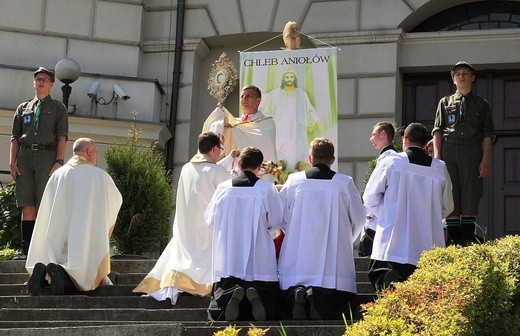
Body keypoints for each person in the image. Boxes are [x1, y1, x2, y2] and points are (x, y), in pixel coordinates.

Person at [133, 132, 231, 304]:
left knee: (185, 256)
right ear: (215, 149)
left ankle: (180, 282)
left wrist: (229, 159)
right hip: (207, 227)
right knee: (204, 258)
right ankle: (198, 285)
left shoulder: (187, 168)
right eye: (220, 149)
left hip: (186, 224)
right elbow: (231, 189)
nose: (221, 153)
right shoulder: (217, 171)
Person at [278, 138, 366, 320]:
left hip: (299, 250)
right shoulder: (344, 183)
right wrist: (345, 237)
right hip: (334, 254)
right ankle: (319, 304)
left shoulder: (294, 181)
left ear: (310, 158)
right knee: (333, 287)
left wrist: (293, 230)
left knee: (295, 278)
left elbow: (281, 215)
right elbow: (359, 216)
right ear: (332, 159)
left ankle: (298, 295)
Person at [26, 138, 122, 295]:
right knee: (82, 276)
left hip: (56, 240)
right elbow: (115, 201)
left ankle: (45, 274)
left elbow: (45, 212)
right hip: (82, 242)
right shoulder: (99, 177)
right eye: (96, 151)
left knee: (54, 258)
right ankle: (66, 277)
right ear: (90, 152)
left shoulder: (57, 175)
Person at [364, 123, 454, 290]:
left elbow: (369, 198)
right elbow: (447, 206)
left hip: (393, 240)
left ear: (405, 140)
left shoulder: (392, 162)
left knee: (379, 274)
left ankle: (388, 281)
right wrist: (429, 214)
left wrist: (386, 212)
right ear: (425, 142)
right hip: (426, 242)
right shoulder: (439, 168)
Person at [205, 147, 284, 322]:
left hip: (229, 255)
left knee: (225, 286)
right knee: (264, 289)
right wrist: (267, 232)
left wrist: (227, 232)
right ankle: (257, 297)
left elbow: (210, 219)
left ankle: (231, 296)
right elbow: (277, 220)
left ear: (239, 164)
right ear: (260, 167)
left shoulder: (223, 188)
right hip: (258, 255)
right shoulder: (266, 188)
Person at [432, 61, 494, 246]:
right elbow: (437, 130)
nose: (461, 76)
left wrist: (486, 159)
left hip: (471, 150)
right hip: (449, 149)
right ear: (453, 79)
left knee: (470, 192)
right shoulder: (445, 102)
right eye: (457, 73)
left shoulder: (481, 104)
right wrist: (437, 156)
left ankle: (467, 237)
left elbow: (487, 134)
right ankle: (453, 238)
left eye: (465, 73)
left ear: (472, 77)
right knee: (450, 192)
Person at [9, 67, 68, 260]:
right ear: (34, 83)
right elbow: (15, 137)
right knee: (27, 205)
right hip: (25, 157)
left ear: (51, 84)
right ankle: (26, 251)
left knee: (44, 206)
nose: (41, 82)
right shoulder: (23, 107)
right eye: (38, 79)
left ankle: (41, 252)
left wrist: (59, 161)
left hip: (47, 156)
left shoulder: (58, 108)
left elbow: (62, 137)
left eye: (45, 79)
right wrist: (12, 162)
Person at [202, 85, 278, 179]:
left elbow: (265, 144)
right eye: (242, 96)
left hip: (260, 176)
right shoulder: (232, 124)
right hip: (236, 175)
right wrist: (219, 121)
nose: (244, 99)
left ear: (258, 101)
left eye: (249, 96)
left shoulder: (267, 123)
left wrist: (235, 129)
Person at [260, 71, 324, 169]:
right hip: (281, 130)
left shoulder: (301, 94)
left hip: (297, 131)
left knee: (297, 154)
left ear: (294, 79)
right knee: (280, 155)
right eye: (287, 77)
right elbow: (267, 111)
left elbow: (309, 110)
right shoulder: (277, 94)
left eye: (291, 77)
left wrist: (316, 120)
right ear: (283, 79)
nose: (289, 79)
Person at [359, 122, 397, 257]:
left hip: (378, 222)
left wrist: (373, 214)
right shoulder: (392, 158)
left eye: (373, 134)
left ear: (383, 134)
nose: (371, 139)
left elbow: (370, 196)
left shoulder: (388, 159)